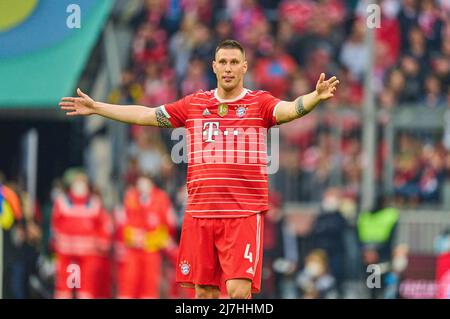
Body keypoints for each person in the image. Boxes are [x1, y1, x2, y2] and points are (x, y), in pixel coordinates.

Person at [59, 39, 340, 299]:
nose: (228, 68)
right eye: (223, 62)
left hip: (242, 213)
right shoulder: (194, 104)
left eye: (234, 62)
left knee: (238, 291)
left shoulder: (259, 103)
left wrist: (314, 97)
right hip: (200, 212)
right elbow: (146, 114)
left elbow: (290, 109)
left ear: (244, 66)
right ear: (214, 66)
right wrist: (98, 107)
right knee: (204, 293)